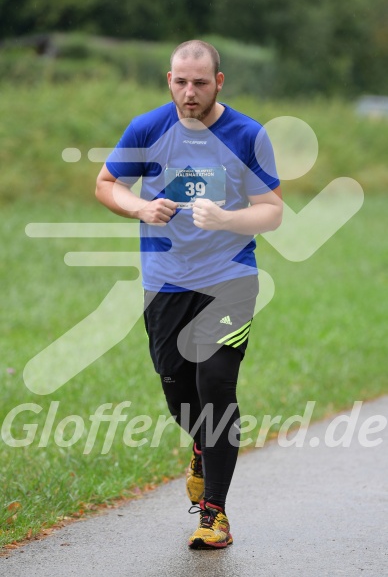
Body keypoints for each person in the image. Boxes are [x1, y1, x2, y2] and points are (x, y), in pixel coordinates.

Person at [95, 40, 282, 549]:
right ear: (169, 80)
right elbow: (106, 183)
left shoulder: (246, 134)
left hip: (230, 280)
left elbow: (272, 209)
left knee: (216, 386)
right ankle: (201, 448)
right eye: (181, 81)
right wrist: (138, 208)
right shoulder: (148, 128)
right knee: (179, 394)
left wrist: (229, 218)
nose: (190, 91)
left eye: (200, 82)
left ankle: (214, 513)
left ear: (219, 82)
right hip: (165, 282)